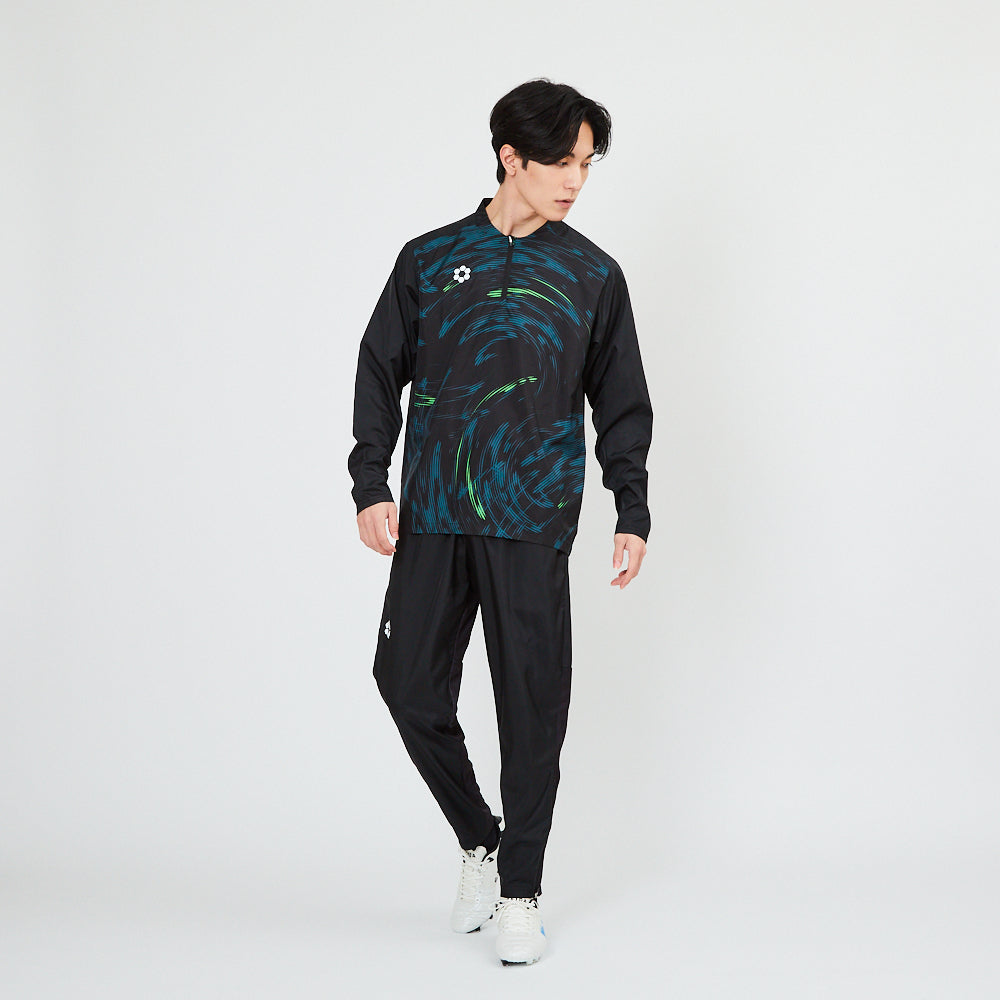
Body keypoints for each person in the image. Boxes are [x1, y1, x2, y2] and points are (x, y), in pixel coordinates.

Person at [348, 77, 653, 966]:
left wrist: (632, 505)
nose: (576, 180)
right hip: (435, 512)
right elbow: (378, 370)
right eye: (562, 162)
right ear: (510, 157)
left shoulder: (593, 275)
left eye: (587, 164)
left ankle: (520, 890)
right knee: (406, 683)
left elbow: (621, 401)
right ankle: (479, 839)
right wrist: (371, 482)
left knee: (531, 709)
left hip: (532, 515)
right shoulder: (430, 259)